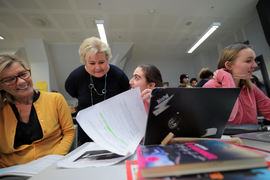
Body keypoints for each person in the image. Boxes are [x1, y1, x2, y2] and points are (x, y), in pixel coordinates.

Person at [0, 54, 75, 168]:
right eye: (10, 79)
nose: (21, 82)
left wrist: (54, 160)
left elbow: (69, 132)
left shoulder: (55, 99)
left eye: (23, 74)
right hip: (10, 170)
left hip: (50, 165)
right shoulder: (2, 110)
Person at [65, 37, 130, 145]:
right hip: (88, 133)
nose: (97, 67)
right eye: (92, 63)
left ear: (107, 59)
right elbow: (72, 92)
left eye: (101, 62)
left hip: (114, 132)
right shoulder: (75, 77)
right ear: (84, 61)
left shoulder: (119, 76)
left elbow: (124, 99)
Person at [203, 43, 270, 124]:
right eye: (248, 61)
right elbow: (229, 117)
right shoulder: (210, 87)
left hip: (250, 135)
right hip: (228, 136)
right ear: (229, 65)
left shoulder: (250, 87)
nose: (255, 65)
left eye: (254, 60)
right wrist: (226, 78)